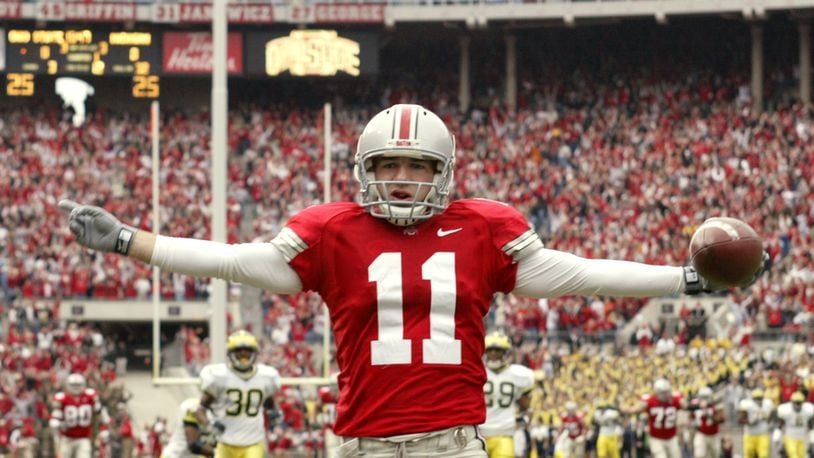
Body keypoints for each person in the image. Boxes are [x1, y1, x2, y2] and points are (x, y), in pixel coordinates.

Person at [60, 103, 764, 458]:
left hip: (452, 441)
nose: (403, 178)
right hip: (362, 440)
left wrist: (684, 282)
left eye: (419, 167)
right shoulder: (331, 231)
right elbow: (233, 260)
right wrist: (130, 241)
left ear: (443, 172)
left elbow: (578, 274)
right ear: (365, 170)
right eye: (389, 165)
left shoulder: (484, 227)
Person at [194, 330, 280, 458]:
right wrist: (210, 423)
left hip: (253, 441)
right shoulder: (220, 377)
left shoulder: (265, 377)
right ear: (230, 353)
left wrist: (274, 412)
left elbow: (268, 402)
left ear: (254, 353)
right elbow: (200, 409)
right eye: (239, 351)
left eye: (247, 350)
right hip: (226, 441)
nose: (243, 354)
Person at [480, 332, 534, 458]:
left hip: (504, 433)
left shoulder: (519, 374)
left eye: (497, 350)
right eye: (490, 350)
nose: (493, 353)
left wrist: (524, 419)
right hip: (478, 434)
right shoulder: (477, 372)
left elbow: (526, 408)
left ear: (506, 352)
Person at [621, 378, 685, 458]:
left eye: (667, 391)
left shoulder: (675, 399)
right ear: (657, 393)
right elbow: (634, 409)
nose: (666, 394)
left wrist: (685, 402)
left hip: (672, 437)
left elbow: (686, 406)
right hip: (656, 438)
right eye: (663, 392)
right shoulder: (650, 401)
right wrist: (624, 409)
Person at [50, 373, 109, 458]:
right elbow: (54, 420)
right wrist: (60, 425)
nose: (76, 387)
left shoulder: (90, 396)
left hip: (84, 437)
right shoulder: (62, 398)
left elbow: (100, 413)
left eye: (78, 385)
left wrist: (103, 428)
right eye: (73, 385)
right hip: (67, 437)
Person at [688, 386, 725, 458]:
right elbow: (690, 417)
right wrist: (693, 423)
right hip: (701, 433)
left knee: (715, 455)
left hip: (714, 435)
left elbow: (722, 419)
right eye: (703, 397)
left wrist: (708, 413)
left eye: (706, 397)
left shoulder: (715, 404)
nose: (704, 399)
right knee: (699, 454)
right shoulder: (696, 404)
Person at [775, 391, 814, 458]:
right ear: (792, 402)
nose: (797, 405)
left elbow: (810, 425)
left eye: (799, 403)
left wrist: (812, 437)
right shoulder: (787, 411)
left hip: (802, 438)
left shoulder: (807, 411)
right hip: (790, 437)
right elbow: (781, 424)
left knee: (801, 456)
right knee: (793, 456)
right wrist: (777, 434)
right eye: (796, 402)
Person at [738, 389, 774, 458]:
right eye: (757, 398)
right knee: (749, 455)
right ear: (753, 399)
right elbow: (740, 420)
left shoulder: (767, 405)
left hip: (763, 434)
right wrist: (750, 421)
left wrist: (768, 422)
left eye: (760, 398)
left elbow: (771, 418)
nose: (758, 400)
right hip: (750, 435)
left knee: (763, 455)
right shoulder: (748, 406)